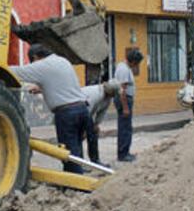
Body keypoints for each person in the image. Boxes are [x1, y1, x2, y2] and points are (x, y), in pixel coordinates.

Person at [10, 44, 90, 174]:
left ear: (35, 57)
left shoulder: (42, 65)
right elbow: (62, 84)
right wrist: (42, 89)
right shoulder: (62, 61)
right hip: (82, 109)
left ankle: (76, 182)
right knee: (76, 148)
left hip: (67, 113)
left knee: (68, 152)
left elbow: (16, 72)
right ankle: (78, 175)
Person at [113, 48, 144, 162]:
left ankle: (125, 152)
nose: (136, 66)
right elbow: (122, 90)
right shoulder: (124, 70)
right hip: (124, 100)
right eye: (136, 63)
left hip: (125, 99)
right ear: (133, 62)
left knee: (125, 127)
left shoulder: (123, 67)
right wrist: (125, 107)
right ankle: (123, 154)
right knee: (125, 128)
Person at [82, 80, 120, 166]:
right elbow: (87, 111)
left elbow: (102, 112)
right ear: (111, 92)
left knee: (93, 134)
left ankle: (95, 161)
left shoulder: (108, 99)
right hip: (79, 111)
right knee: (79, 136)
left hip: (87, 114)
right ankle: (78, 164)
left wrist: (96, 124)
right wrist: (84, 129)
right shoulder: (96, 94)